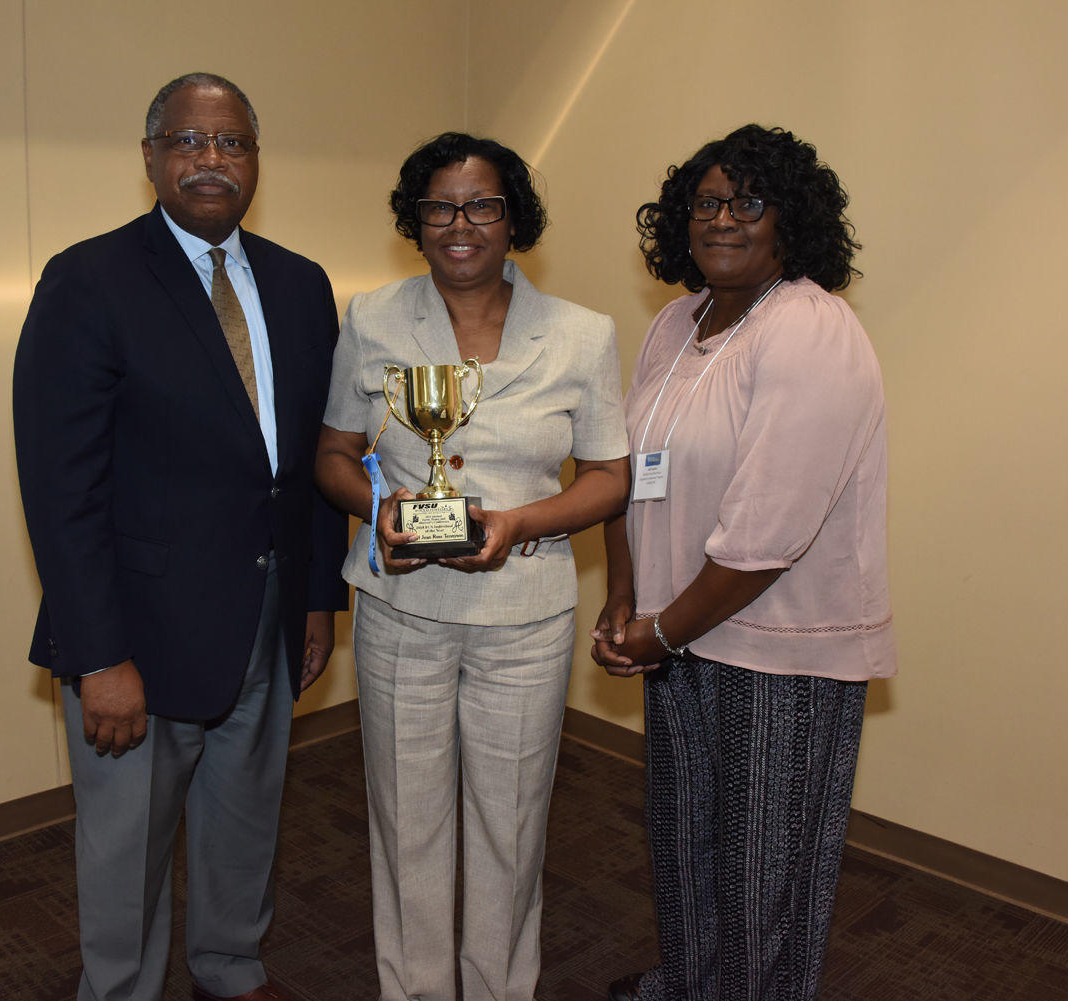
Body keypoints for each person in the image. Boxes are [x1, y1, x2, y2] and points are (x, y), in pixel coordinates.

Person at [13, 72, 346, 1001]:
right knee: (126, 848)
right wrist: (98, 652)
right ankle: (119, 989)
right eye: (190, 142)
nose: (211, 160)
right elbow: (59, 486)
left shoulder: (300, 283)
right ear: (152, 156)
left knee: (247, 820)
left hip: (271, 614)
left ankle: (230, 969)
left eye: (231, 143)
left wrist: (320, 597)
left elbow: (312, 457)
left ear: (254, 161)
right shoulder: (88, 280)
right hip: (140, 633)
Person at [315, 132, 630, 1001]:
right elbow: (334, 451)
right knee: (406, 827)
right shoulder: (372, 317)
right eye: (441, 206)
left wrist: (520, 520)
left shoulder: (582, 334)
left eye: (483, 204)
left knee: (510, 829)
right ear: (415, 221)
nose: (462, 224)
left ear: (512, 217)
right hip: (401, 609)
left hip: (523, 617)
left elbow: (610, 479)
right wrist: (375, 508)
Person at [591, 125, 895, 1001]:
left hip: (776, 652)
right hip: (679, 637)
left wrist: (661, 629)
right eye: (708, 202)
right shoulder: (676, 325)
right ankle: (690, 984)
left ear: (790, 222)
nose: (724, 218)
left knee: (767, 876)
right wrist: (625, 598)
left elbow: (770, 534)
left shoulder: (808, 331)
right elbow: (629, 467)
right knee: (687, 849)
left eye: (749, 202)